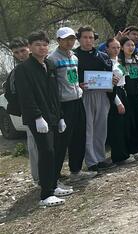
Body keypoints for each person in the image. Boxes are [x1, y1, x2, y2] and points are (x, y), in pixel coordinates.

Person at [17, 31, 74, 207]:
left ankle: (53, 185)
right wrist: (37, 117)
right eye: (37, 45)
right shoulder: (23, 69)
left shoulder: (49, 64)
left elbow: (54, 93)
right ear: (30, 47)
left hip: (53, 115)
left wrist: (61, 116)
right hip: (38, 118)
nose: (42, 48)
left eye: (44, 44)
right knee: (46, 152)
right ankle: (46, 194)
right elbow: (26, 97)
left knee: (56, 150)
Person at [48, 27, 93, 181]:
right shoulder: (52, 59)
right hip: (64, 104)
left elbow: (73, 78)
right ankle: (54, 176)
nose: (69, 42)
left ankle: (76, 171)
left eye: (72, 38)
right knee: (62, 140)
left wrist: (79, 86)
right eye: (66, 39)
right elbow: (52, 85)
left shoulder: (74, 57)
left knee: (79, 136)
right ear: (58, 40)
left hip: (77, 100)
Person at [72, 26, 116, 172]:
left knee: (101, 128)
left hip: (102, 94)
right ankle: (91, 162)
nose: (88, 40)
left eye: (91, 37)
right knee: (88, 129)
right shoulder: (74, 57)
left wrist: (113, 81)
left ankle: (100, 158)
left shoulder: (102, 56)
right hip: (85, 95)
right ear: (79, 39)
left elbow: (109, 75)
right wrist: (78, 84)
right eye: (85, 37)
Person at [6, 38, 40, 183]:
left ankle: (50, 174)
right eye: (16, 52)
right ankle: (38, 177)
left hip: (46, 111)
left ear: (29, 48)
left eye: (22, 51)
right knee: (35, 146)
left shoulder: (40, 64)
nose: (20, 55)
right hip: (31, 114)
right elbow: (13, 95)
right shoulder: (16, 72)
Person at [105, 38, 135, 165]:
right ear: (107, 49)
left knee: (124, 124)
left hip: (123, 91)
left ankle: (125, 152)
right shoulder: (107, 64)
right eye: (113, 47)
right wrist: (117, 102)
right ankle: (119, 156)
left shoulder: (118, 61)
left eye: (118, 47)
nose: (116, 50)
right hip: (114, 93)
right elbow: (109, 85)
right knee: (117, 126)